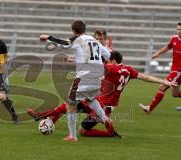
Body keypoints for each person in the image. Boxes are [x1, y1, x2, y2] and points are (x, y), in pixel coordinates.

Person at [27, 51, 176, 137]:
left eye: (108, 60)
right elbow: (146, 77)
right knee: (70, 105)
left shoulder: (111, 68)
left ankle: (110, 134)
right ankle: (43, 116)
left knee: (82, 131)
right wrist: (165, 81)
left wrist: (73, 60)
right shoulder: (128, 69)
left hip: (105, 107)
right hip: (101, 102)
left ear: (112, 60)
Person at [39, 20, 116, 142]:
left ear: (74, 31)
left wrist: (48, 37)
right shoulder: (95, 41)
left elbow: (63, 44)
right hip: (97, 79)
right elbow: (109, 55)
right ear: (84, 29)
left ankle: (72, 136)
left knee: (70, 104)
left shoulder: (77, 39)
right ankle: (106, 119)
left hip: (84, 78)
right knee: (90, 99)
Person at [139, 22, 181, 112]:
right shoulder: (174, 39)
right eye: (178, 29)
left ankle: (149, 108)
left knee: (162, 87)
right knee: (175, 94)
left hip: (178, 72)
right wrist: (157, 53)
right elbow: (168, 47)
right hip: (174, 70)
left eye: (180, 29)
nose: (179, 31)